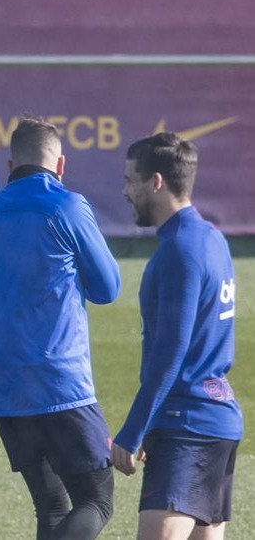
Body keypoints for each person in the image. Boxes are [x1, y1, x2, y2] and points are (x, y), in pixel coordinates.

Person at [0, 115, 120, 539]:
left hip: (6, 389)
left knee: (50, 504)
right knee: (97, 500)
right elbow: (108, 288)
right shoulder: (67, 205)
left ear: (10, 165)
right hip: (61, 383)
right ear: (60, 164)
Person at [111, 132, 243, 539]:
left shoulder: (179, 251)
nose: (125, 191)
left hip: (186, 425)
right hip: (217, 421)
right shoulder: (212, 239)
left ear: (156, 182)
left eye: (131, 180)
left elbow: (171, 352)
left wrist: (133, 432)